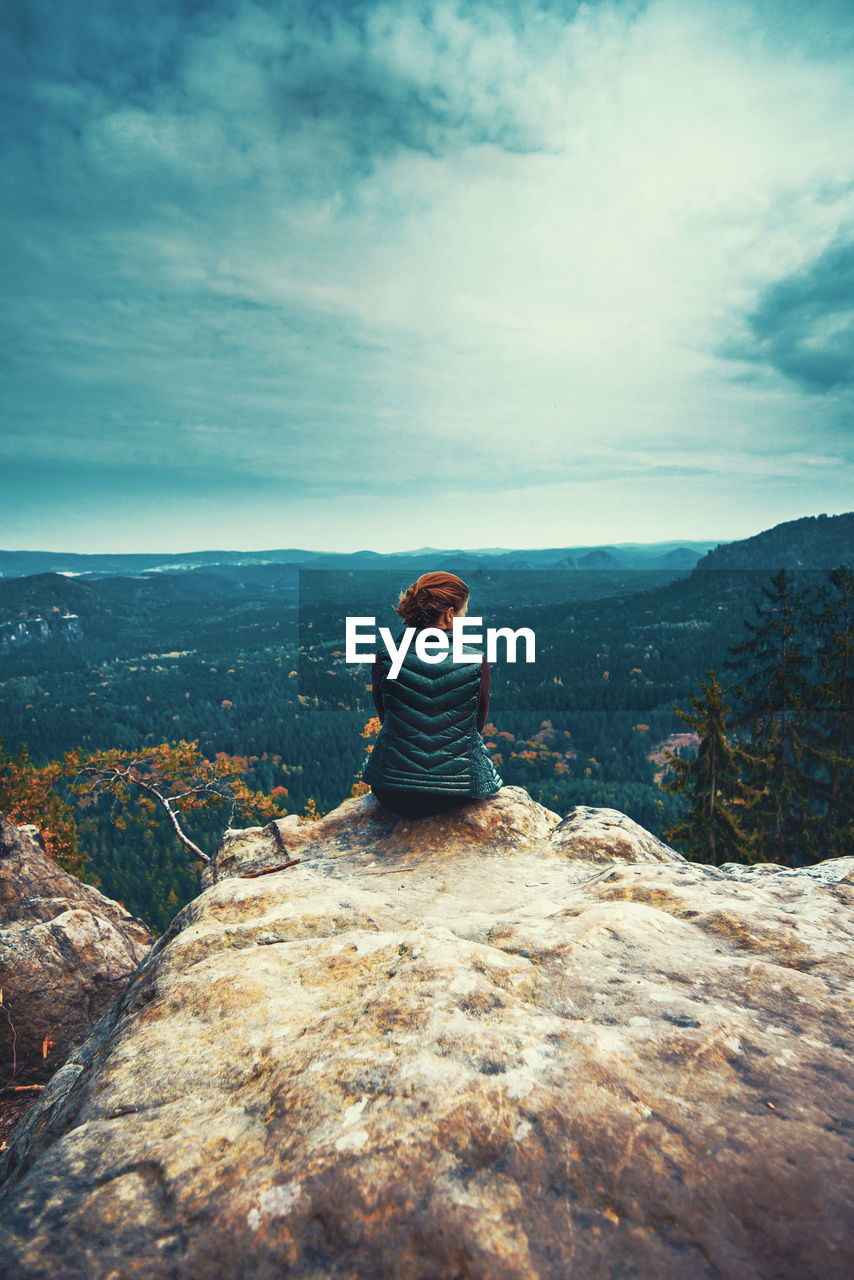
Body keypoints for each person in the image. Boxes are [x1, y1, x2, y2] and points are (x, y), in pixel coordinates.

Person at [361, 571, 503, 819]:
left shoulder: (385, 658)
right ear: (449, 614)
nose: (464, 618)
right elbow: (475, 727)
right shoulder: (475, 661)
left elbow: (387, 721)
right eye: (464, 612)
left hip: (393, 793)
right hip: (458, 792)